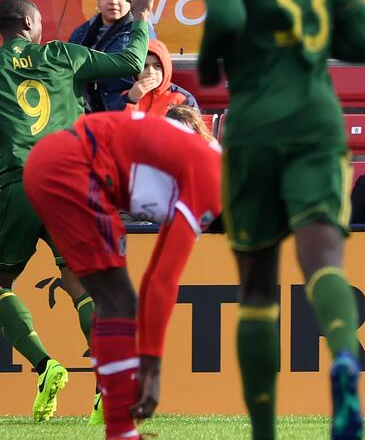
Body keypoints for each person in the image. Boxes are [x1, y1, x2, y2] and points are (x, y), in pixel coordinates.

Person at [191, 0, 365, 440]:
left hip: (256, 127)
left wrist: (206, 62)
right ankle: (345, 364)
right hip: (319, 122)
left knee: (255, 289)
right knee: (324, 262)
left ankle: (265, 432)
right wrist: (307, 37)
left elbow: (223, 13)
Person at [0, 0, 155, 422]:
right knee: (80, 284)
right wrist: (140, 17)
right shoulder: (63, 55)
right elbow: (129, 63)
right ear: (30, 24)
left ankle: (45, 365)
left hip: (18, 183)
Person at [24, 109, 221, 440]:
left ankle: (120, 429)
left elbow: (154, 278)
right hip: (72, 167)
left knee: (114, 299)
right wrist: (152, 367)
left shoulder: (207, 166)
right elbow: (163, 282)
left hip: (53, 162)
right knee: (117, 300)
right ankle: (121, 431)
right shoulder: (214, 177)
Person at [69, 0, 159, 112]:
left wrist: (131, 98)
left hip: (126, 110)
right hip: (86, 113)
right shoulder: (80, 33)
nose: (113, 1)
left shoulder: (141, 29)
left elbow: (151, 74)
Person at [124, 39, 200, 115]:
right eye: (144, 66)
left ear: (165, 68)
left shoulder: (183, 98)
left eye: (157, 66)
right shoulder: (126, 96)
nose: (150, 71)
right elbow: (120, 125)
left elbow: (193, 125)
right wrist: (131, 100)